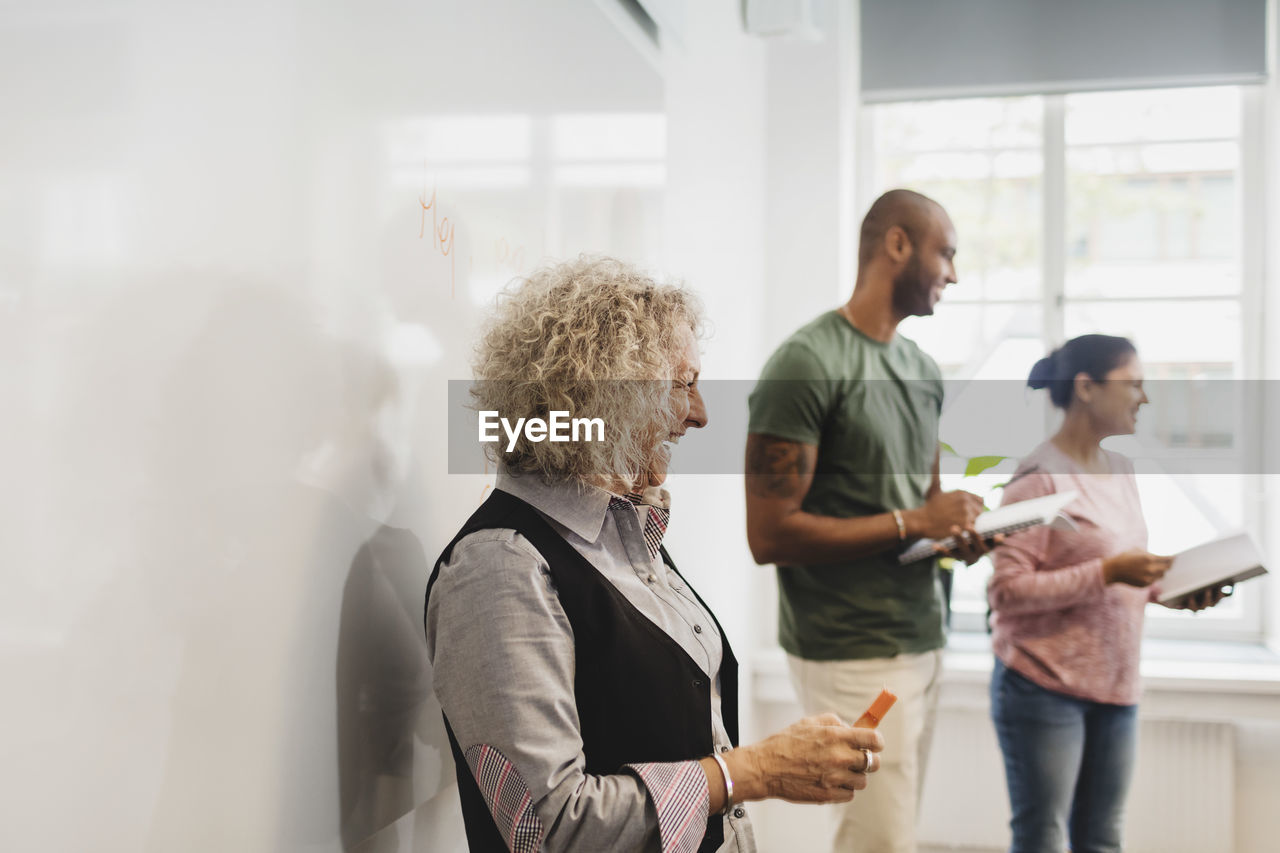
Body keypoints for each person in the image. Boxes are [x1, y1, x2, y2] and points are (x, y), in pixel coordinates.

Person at [425, 256, 886, 853]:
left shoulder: (625, 530)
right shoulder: (499, 568)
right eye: (682, 383)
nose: (699, 414)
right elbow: (549, 827)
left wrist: (765, 762)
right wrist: (756, 771)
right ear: (599, 395)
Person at [745, 189, 992, 853]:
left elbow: (925, 511)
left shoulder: (921, 370)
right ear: (898, 245)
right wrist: (917, 517)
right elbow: (769, 535)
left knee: (896, 834)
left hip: (923, 638)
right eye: (947, 252)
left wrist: (959, 533)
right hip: (850, 650)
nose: (955, 273)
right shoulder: (807, 362)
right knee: (879, 844)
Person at [988, 334, 1231, 853]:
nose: (1143, 397)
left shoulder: (1121, 469)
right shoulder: (1036, 478)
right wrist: (1109, 572)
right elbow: (1006, 592)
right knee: (1042, 838)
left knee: (1102, 840)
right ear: (1086, 388)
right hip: (1042, 685)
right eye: (1133, 384)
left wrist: (1174, 592)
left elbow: (1123, 574)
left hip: (1115, 688)